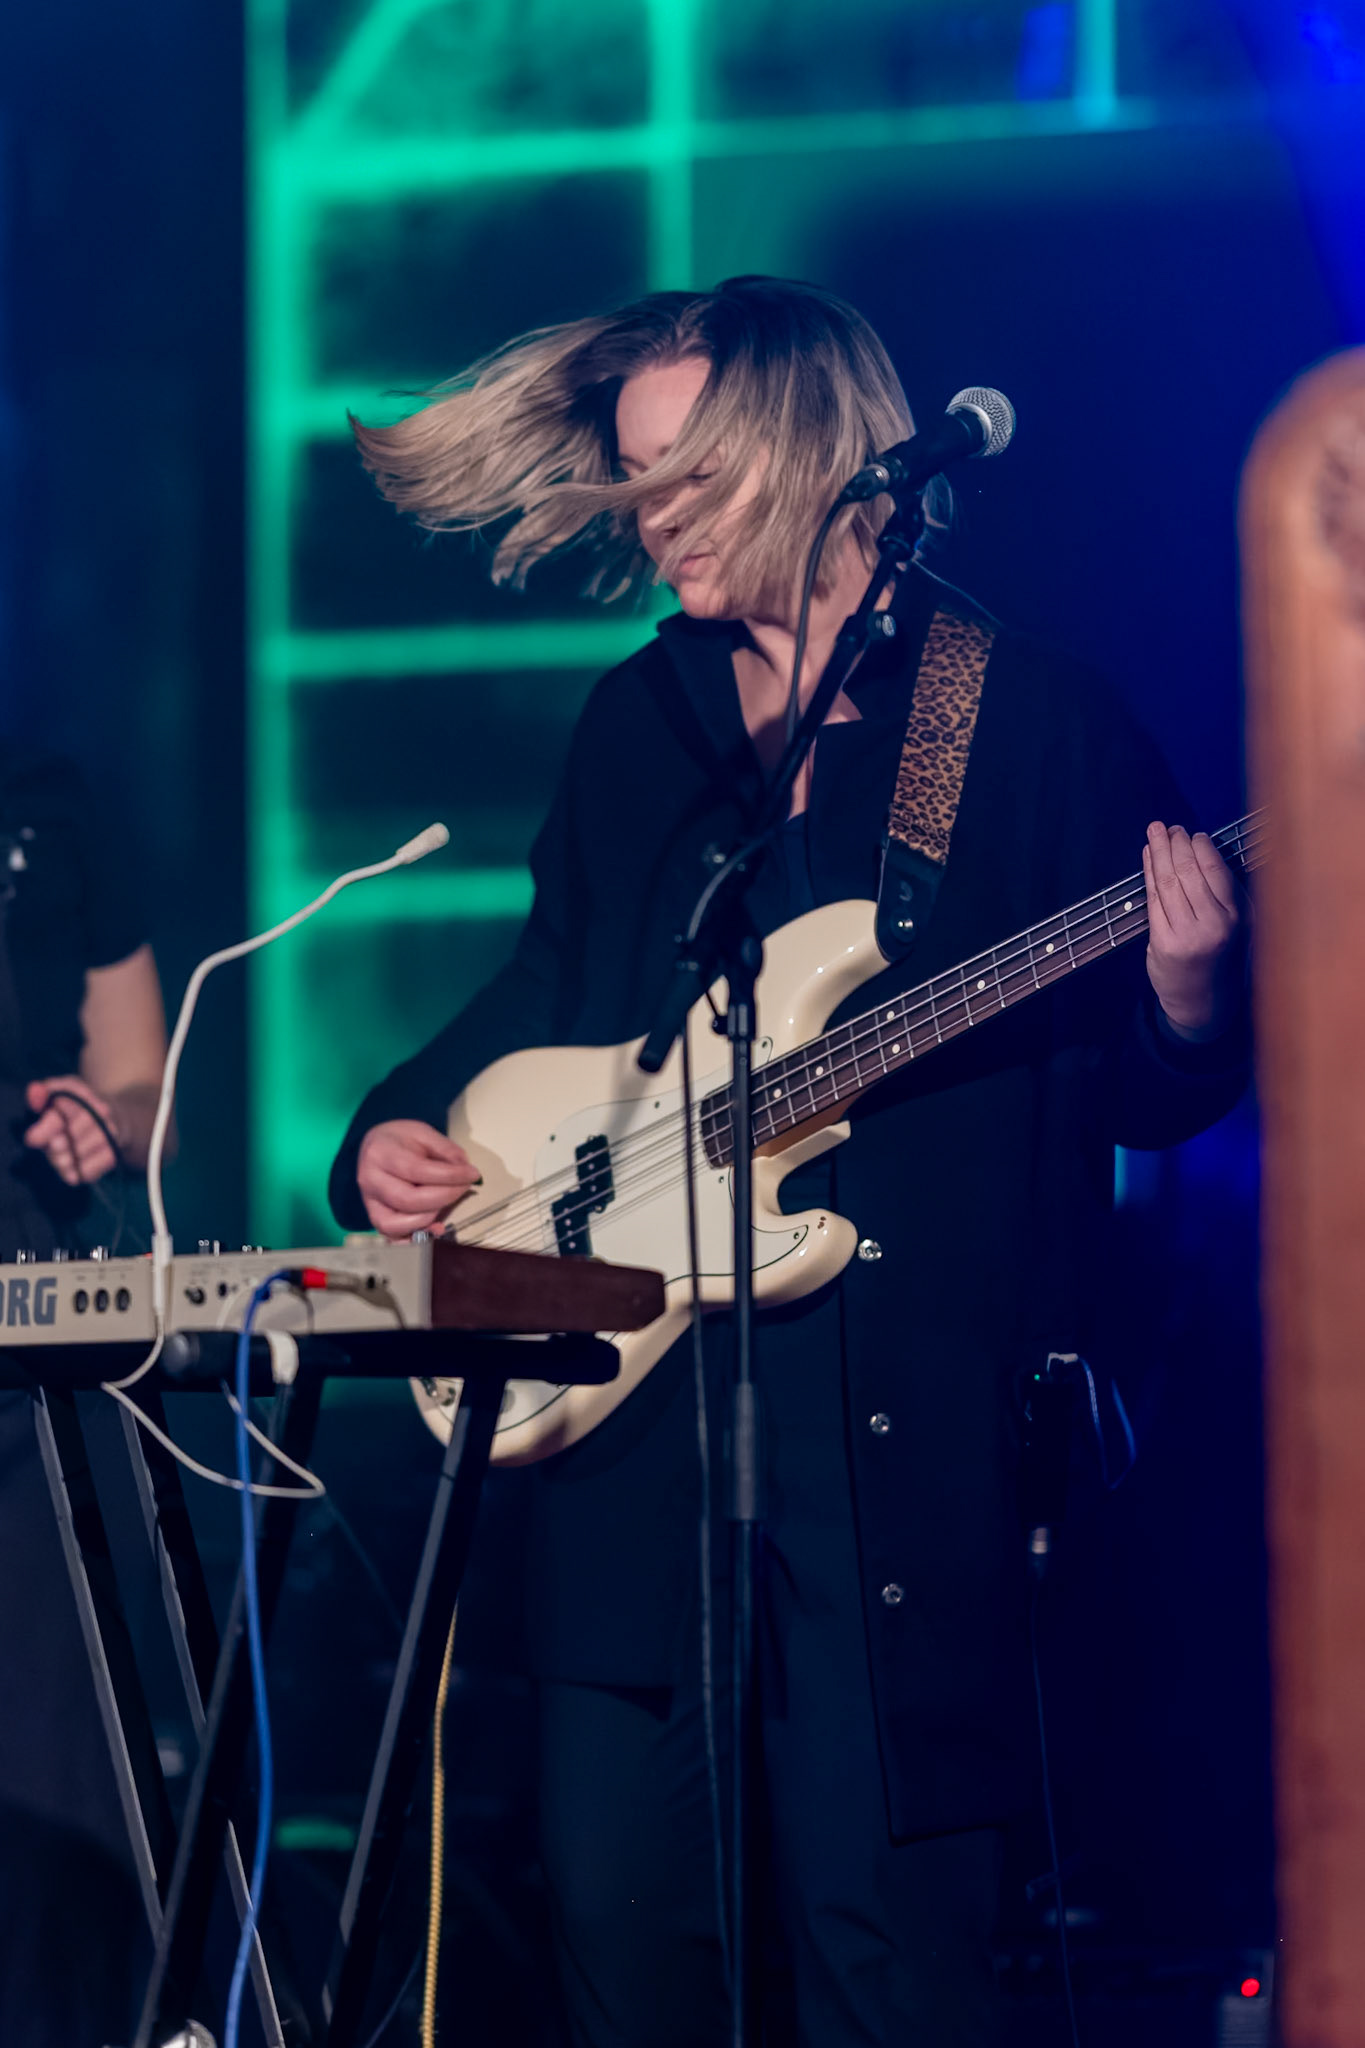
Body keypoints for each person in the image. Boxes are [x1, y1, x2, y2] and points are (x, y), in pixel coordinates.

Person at [329, 277, 1250, 2046]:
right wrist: (398, 1129)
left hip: (893, 1461)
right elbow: (549, 981)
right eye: (636, 482)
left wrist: (1193, 994)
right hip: (636, 1441)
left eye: (686, 478)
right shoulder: (641, 724)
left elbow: (1133, 1094)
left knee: (883, 1966)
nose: (651, 520)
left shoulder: (1032, 721)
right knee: (625, 1943)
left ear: (813, 457)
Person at [0, 746, 168, 2046]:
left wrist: (103, 1120)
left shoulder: (56, 795)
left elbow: (139, 1075)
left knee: (60, 1782)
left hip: (35, 1337)